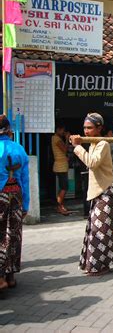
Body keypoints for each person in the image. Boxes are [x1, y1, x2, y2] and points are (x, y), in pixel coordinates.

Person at [70, 113, 113, 276]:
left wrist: (77, 147)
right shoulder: (93, 144)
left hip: (106, 191)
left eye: (90, 128)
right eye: (85, 128)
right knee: (96, 229)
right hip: (98, 193)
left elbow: (92, 163)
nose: (86, 131)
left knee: (100, 230)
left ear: (99, 128)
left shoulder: (102, 144)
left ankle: (101, 265)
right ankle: (95, 264)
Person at [0, 115, 29, 290]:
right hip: (16, 195)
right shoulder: (19, 149)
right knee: (14, 233)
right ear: (9, 130)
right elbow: (25, 179)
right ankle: (10, 276)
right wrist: (25, 205)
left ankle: (0, 278)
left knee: (0, 234)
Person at [52, 124, 70, 215]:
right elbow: (65, 149)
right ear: (58, 129)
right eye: (62, 130)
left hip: (61, 166)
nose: (63, 132)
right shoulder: (56, 139)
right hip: (60, 167)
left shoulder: (56, 138)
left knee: (63, 187)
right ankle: (59, 206)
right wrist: (67, 139)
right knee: (64, 187)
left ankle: (61, 206)